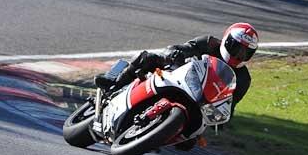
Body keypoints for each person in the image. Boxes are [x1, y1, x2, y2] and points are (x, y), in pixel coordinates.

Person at [95, 22, 259, 115]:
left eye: (245, 52)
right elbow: (179, 47)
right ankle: (114, 83)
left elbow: (230, 105)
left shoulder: (243, 79)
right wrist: (173, 54)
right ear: (226, 40)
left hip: (200, 101)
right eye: (236, 47)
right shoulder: (209, 43)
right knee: (147, 58)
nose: (239, 54)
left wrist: (222, 116)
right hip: (176, 75)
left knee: (189, 143)